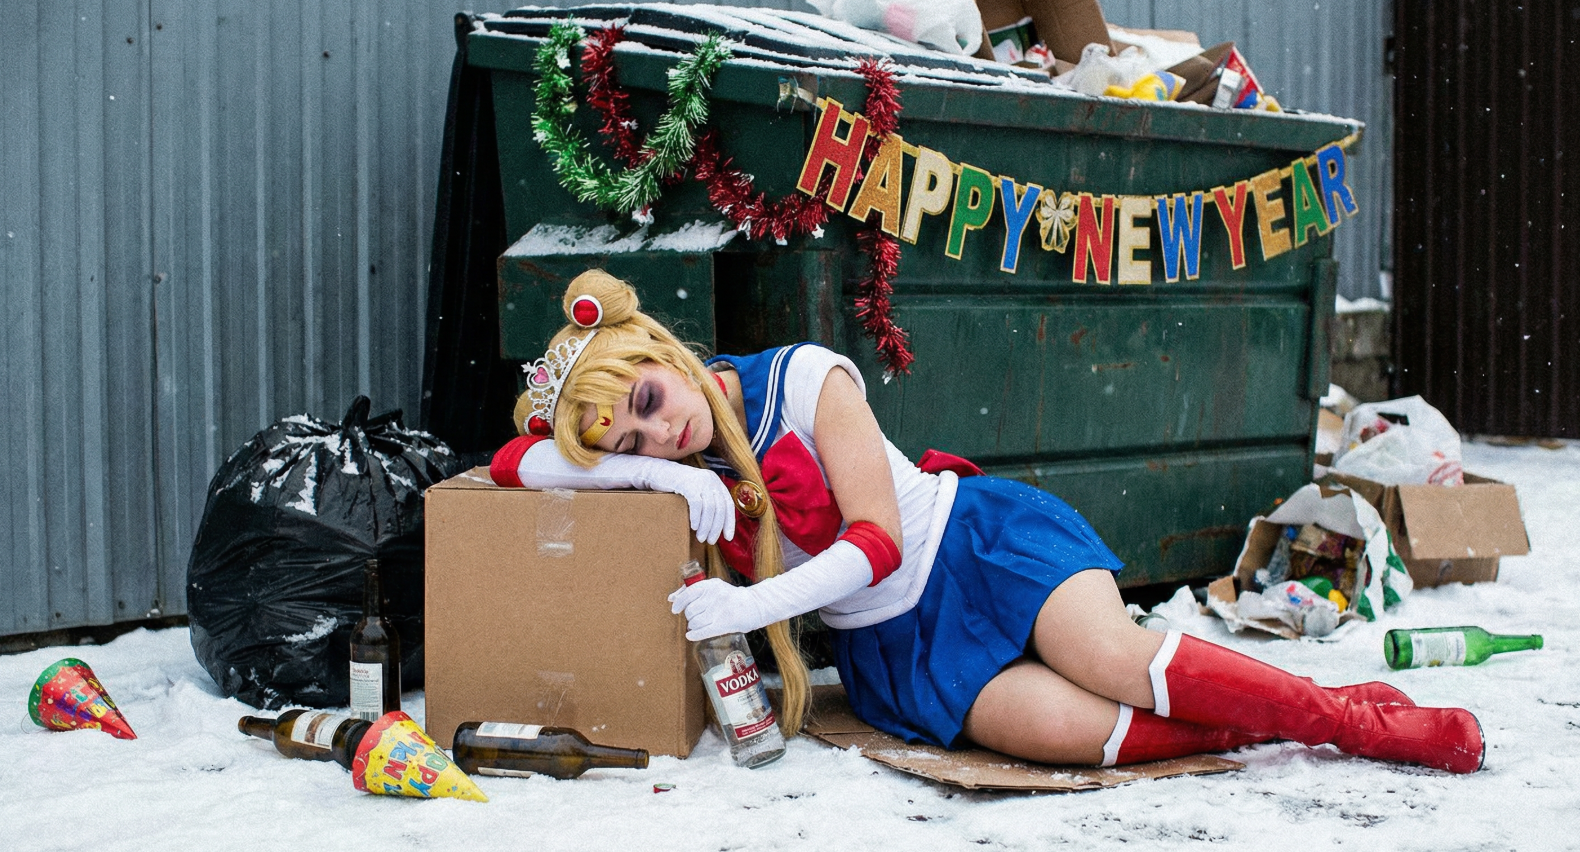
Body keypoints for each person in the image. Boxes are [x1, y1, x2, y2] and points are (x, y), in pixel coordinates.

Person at [489, 269, 1484, 773]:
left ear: (663, 352)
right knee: (1071, 733)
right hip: (896, 641)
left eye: (649, 403)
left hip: (978, 544)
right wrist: (648, 476)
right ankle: (1272, 710)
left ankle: (1351, 723)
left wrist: (750, 601)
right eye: (632, 439)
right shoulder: (681, 467)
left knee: (1113, 661)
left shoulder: (805, 378)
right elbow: (509, 463)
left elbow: (874, 541)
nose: (659, 434)